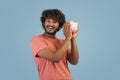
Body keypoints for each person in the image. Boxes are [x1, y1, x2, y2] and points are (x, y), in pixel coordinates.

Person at [30, 9, 79, 80]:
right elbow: (55, 58)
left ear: (59, 25)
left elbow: (74, 61)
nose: (50, 24)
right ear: (44, 23)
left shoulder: (63, 42)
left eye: (54, 22)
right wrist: (68, 38)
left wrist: (72, 39)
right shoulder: (37, 40)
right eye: (48, 21)